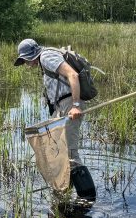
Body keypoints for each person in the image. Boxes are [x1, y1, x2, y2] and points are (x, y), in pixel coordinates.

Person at [14, 38, 84, 170]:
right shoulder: (43, 60)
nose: (25, 64)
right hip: (61, 106)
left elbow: (73, 75)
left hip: (69, 104)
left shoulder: (46, 56)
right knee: (58, 149)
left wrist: (76, 106)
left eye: (25, 60)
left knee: (70, 154)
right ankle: (65, 188)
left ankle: (87, 191)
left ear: (31, 56)